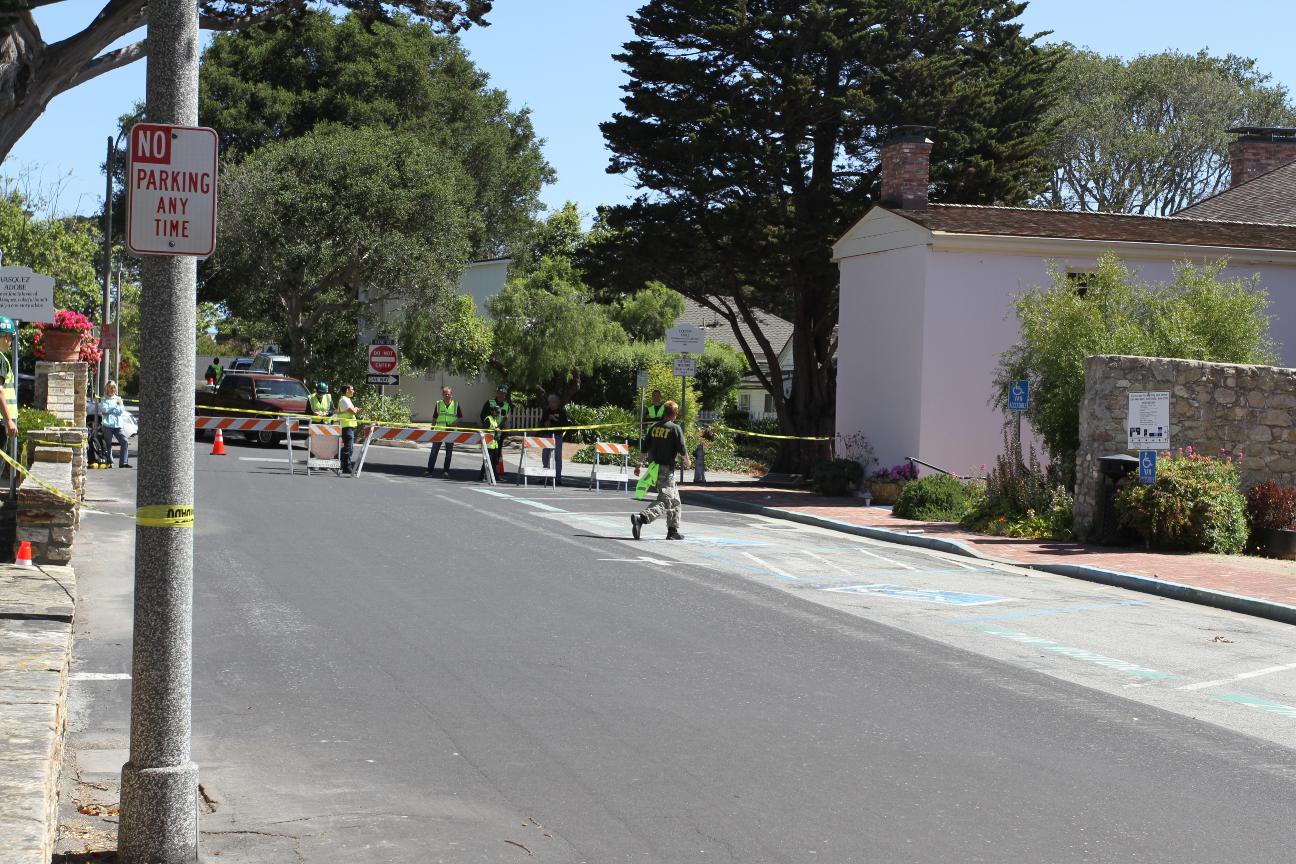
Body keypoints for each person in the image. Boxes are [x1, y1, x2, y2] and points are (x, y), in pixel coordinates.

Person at [631, 400, 691, 541]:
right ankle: (642, 518)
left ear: (664, 412)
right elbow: (682, 449)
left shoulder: (654, 427)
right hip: (666, 470)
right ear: (675, 414)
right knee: (666, 501)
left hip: (654, 468)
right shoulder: (675, 428)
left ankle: (672, 531)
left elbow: (644, 448)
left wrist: (638, 464)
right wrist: (687, 461)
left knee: (675, 500)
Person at [427, 385, 463, 477]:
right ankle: (429, 471)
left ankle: (445, 471)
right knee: (433, 452)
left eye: (448, 394)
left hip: (450, 432)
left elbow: (460, 418)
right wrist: (432, 429)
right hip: (439, 431)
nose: (446, 395)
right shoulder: (439, 403)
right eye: (445, 394)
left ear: (451, 394)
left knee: (448, 453)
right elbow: (434, 417)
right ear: (442, 395)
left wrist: (454, 424)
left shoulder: (456, 404)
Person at [98, 380, 131, 468]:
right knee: (108, 444)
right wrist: (115, 407)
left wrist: (110, 409)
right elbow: (104, 410)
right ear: (107, 389)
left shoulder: (118, 398)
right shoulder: (103, 399)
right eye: (111, 388)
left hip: (118, 425)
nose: (113, 389)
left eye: (114, 388)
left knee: (125, 441)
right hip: (107, 425)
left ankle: (123, 463)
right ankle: (109, 461)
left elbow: (121, 410)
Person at [540, 392, 569, 486]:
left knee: (557, 457)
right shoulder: (546, 411)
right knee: (545, 456)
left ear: (558, 402)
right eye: (550, 402)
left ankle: (558, 478)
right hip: (547, 436)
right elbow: (542, 424)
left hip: (557, 436)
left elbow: (565, 424)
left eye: (554, 402)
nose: (552, 404)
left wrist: (555, 419)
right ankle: (546, 476)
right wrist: (547, 420)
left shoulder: (562, 412)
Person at [0, 317, 18, 464]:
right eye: (11, 337)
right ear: (5, 337)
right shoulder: (0, 359)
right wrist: (8, 421)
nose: (11, 342)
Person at [336, 384, 360, 476]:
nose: (353, 391)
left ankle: (344, 466)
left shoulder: (347, 399)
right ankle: (345, 466)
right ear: (347, 390)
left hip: (349, 426)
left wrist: (355, 409)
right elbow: (353, 411)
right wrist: (356, 408)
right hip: (346, 426)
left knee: (348, 448)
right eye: (352, 389)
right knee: (348, 448)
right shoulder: (344, 400)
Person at [478, 404, 502, 481]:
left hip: (494, 444)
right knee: (487, 461)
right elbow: (484, 430)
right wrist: (494, 430)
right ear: (492, 411)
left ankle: (495, 477)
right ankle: (482, 476)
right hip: (488, 445)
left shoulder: (494, 420)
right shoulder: (488, 419)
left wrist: (497, 430)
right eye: (496, 411)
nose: (498, 413)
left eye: (498, 412)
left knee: (494, 462)